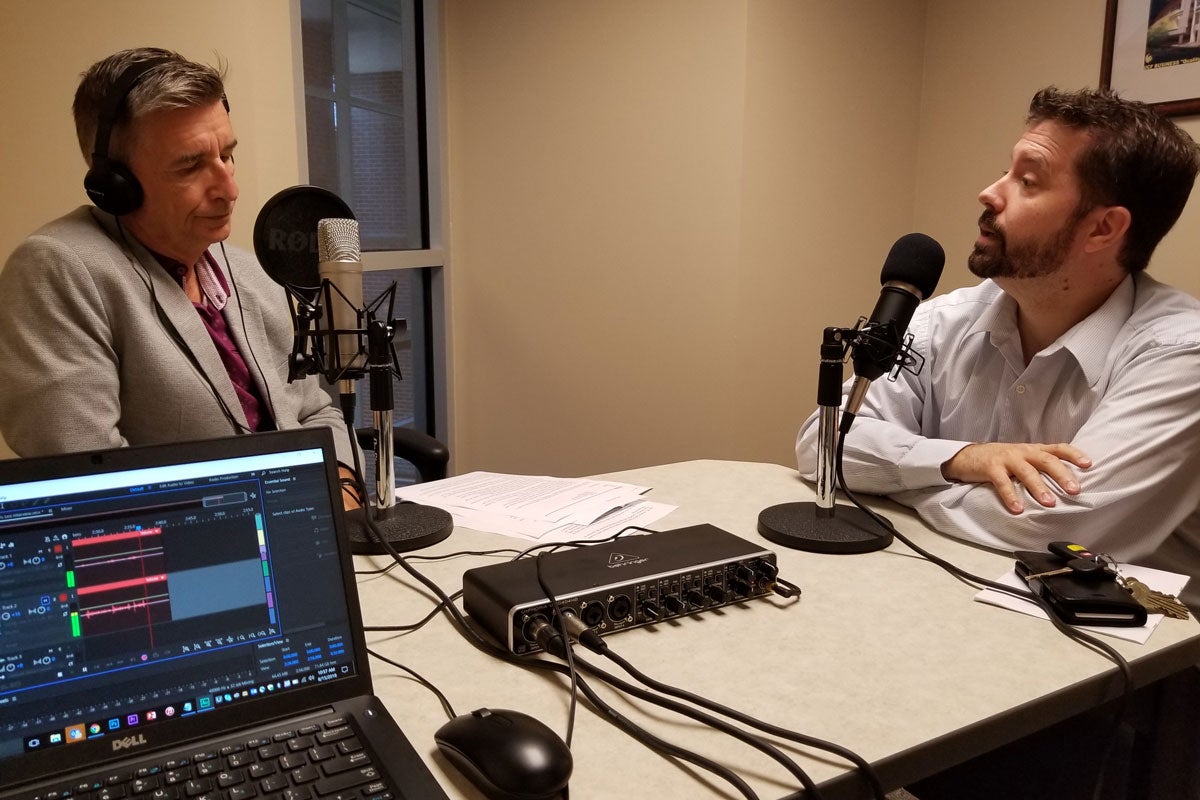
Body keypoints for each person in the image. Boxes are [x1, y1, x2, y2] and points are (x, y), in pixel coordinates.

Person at [797, 86, 1200, 607]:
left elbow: (1058, 529)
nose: (990, 192)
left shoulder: (1180, 354)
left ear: (1103, 228)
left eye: (1027, 181)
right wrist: (961, 459)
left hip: (1138, 658)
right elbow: (822, 442)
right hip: (955, 596)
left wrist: (896, 477)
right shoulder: (946, 318)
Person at [0, 47, 362, 503]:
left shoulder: (249, 271)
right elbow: (86, 477)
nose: (230, 189)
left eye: (227, 155)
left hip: (304, 532)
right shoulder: (58, 270)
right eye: (190, 165)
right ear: (115, 184)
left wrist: (343, 486)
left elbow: (316, 412)